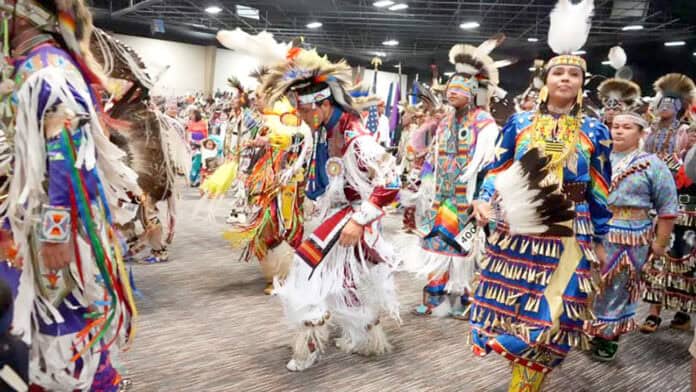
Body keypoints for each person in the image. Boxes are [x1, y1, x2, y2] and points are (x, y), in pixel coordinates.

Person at [469, 0, 611, 389]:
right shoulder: (520, 122)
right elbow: (498, 168)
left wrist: (600, 238)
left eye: (573, 75)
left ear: (582, 83)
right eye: (558, 73)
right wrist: (483, 198)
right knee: (519, 301)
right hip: (521, 224)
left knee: (561, 309)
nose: (565, 79)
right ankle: (523, 377)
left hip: (573, 227)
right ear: (545, 80)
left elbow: (600, 188)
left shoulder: (595, 130)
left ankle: (529, 377)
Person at [0, 1, 139, 390]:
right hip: (31, 220)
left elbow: (71, 152)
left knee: (63, 323)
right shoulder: (32, 66)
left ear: (23, 14)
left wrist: (55, 231)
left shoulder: (49, 71)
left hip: (54, 230)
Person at [254, 44, 401, 372]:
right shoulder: (322, 129)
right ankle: (366, 339)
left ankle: (307, 348)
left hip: (351, 212)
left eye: (303, 111)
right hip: (333, 210)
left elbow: (391, 181)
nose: (301, 118)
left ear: (320, 105)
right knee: (344, 279)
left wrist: (360, 220)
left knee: (306, 268)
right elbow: (308, 155)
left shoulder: (356, 138)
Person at [412, 36, 504, 318]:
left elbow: (489, 165)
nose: (451, 93)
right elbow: (433, 156)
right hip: (441, 196)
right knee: (437, 244)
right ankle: (434, 297)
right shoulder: (445, 121)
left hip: (468, 198)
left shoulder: (484, 123)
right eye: (449, 89)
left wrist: (482, 199)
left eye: (459, 88)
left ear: (473, 91)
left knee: (467, 248)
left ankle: (465, 298)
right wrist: (422, 184)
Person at [587, 112, 677, 361]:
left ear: (640, 133)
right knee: (591, 282)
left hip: (631, 236)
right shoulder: (597, 159)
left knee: (618, 286)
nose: (618, 131)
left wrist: (660, 242)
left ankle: (608, 335)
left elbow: (668, 207)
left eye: (626, 127)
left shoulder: (653, 164)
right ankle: (588, 327)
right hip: (595, 231)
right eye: (615, 126)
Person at [641, 73, 696, 333]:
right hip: (653, 202)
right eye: (662, 101)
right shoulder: (648, 133)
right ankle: (653, 311)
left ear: (681, 107)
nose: (665, 106)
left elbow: (689, 168)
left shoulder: (686, 133)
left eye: (671, 102)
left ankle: (683, 311)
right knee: (656, 257)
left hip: (683, 204)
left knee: (683, 257)